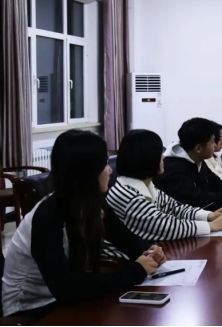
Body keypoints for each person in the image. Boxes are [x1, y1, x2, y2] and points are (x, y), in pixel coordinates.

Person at [1, 130, 163, 318]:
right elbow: (66, 288)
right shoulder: (46, 217)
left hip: (65, 299)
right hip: (30, 308)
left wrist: (149, 251)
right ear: (88, 173)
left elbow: (125, 238)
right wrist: (136, 271)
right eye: (104, 164)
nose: (110, 170)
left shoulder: (92, 203)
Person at [107, 129, 222, 241]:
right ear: (146, 158)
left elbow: (175, 208)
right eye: (158, 153)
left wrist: (209, 216)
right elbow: (165, 226)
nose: (163, 157)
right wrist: (211, 226)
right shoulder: (127, 196)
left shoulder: (146, 185)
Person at [154, 118, 222, 209]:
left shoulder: (196, 158)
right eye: (212, 142)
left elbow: (216, 182)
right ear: (198, 148)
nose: (215, 145)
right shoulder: (174, 169)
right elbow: (196, 200)